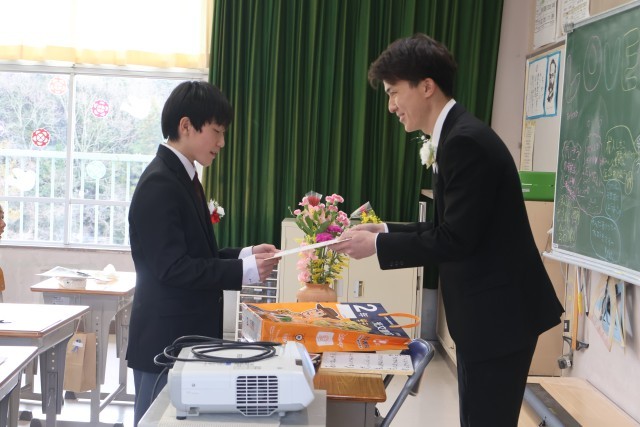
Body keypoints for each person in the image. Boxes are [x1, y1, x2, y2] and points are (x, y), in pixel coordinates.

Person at [333, 34, 564, 427]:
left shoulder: (464, 142)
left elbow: (455, 239)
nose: (391, 106)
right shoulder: (456, 135)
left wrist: (379, 246)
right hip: (490, 318)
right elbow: (449, 226)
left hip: (498, 319)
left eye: (394, 93)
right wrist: (382, 230)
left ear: (427, 86)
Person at [127, 81, 280, 426]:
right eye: (217, 131)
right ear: (186, 126)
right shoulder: (160, 183)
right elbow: (173, 268)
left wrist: (245, 255)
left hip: (185, 337)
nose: (222, 142)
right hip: (165, 341)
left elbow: (198, 254)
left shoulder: (184, 176)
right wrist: (244, 272)